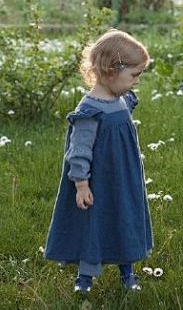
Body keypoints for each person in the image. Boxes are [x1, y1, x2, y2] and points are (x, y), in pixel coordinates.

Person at [45, 29, 152, 293]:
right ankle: (85, 276)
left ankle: (127, 270)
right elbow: (78, 151)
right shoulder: (89, 111)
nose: (137, 82)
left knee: (124, 217)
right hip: (98, 181)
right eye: (134, 75)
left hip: (124, 179)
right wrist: (81, 184)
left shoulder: (121, 100)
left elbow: (125, 109)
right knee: (93, 222)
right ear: (110, 71)